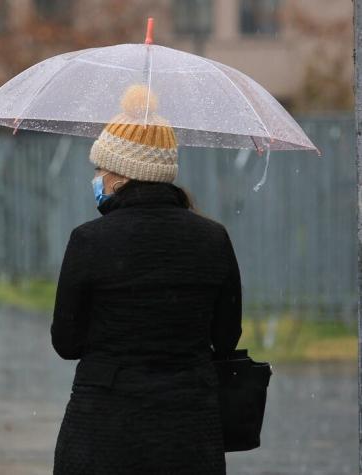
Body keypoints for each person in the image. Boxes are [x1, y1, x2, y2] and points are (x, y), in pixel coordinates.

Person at [51, 85, 242, 475]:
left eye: (101, 170)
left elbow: (67, 343)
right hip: (189, 432)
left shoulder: (89, 240)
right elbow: (226, 338)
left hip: (103, 429)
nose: (98, 179)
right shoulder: (213, 238)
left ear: (121, 175)